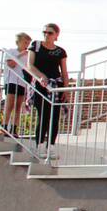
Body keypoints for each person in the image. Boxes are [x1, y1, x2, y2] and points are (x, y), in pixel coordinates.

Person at [28, 23, 68, 154]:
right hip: (41, 84)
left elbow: (64, 72)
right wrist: (41, 76)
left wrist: (65, 90)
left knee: (55, 116)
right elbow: (30, 65)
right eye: (44, 32)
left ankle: (51, 145)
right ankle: (39, 143)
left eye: (50, 33)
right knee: (43, 114)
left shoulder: (60, 51)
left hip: (56, 85)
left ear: (56, 35)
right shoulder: (36, 45)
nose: (46, 35)